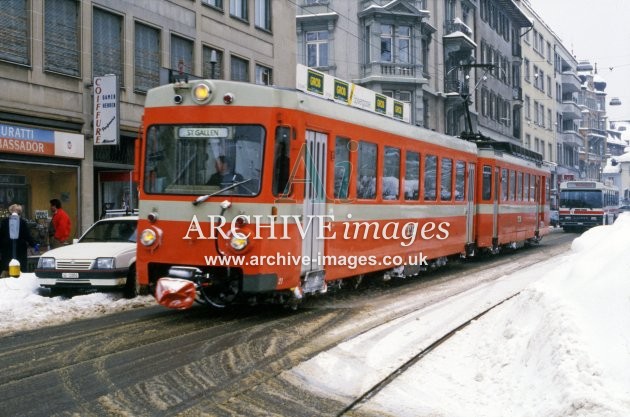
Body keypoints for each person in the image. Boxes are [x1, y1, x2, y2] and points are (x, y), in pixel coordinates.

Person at [0, 204, 39, 276]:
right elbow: (27, 236)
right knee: (19, 268)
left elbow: (1, 235)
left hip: (6, 250)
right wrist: (34, 244)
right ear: (19, 212)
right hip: (20, 250)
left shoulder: (4, 222)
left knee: (6, 269)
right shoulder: (22, 222)